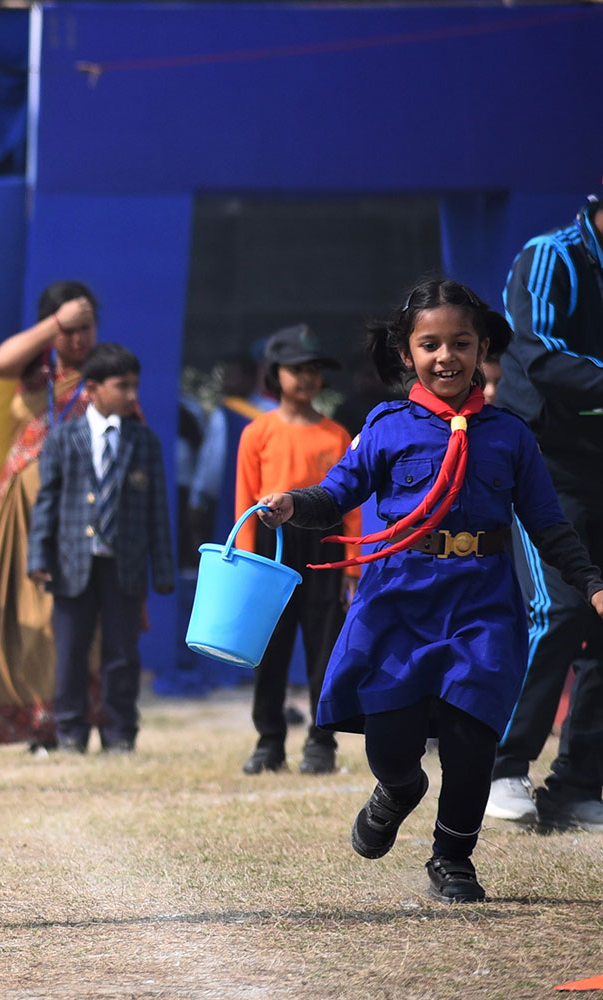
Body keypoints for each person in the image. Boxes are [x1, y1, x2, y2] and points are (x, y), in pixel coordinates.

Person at [256, 277, 603, 902]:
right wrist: (293, 504)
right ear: (406, 353)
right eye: (431, 345)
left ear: (482, 349)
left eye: (462, 343)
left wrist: (592, 583)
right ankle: (398, 790)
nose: (447, 357)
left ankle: (453, 857)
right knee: (393, 742)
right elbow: (337, 493)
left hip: (481, 605)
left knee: (472, 739)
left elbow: (549, 524)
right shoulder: (386, 426)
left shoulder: (511, 435)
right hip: (400, 599)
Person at [486, 196, 603, 832]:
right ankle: (500, 766)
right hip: (544, 465)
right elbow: (540, 355)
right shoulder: (549, 256)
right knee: (556, 611)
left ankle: (579, 783)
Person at [27, 342, 174, 754]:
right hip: (71, 562)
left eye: (135, 386)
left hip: (124, 563)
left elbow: (157, 509)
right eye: (122, 386)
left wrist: (162, 569)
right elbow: (47, 501)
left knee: (122, 653)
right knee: (71, 651)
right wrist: (39, 555)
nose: (132, 395)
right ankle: (70, 731)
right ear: (92, 388)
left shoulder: (144, 441)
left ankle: (120, 732)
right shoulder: (63, 438)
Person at [233, 325, 360, 776]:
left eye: (313, 369)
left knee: (325, 647)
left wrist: (351, 566)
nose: (306, 378)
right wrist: (244, 561)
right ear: (275, 374)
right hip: (271, 544)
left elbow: (350, 505)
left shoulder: (336, 435)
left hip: (324, 544)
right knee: (269, 646)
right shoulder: (257, 432)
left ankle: (321, 742)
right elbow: (245, 499)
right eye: (296, 369)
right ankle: (269, 742)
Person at [0, 281, 99, 747]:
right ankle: (25, 719)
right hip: (21, 516)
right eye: (70, 328)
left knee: (65, 619)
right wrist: (56, 323)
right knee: (16, 617)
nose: (79, 338)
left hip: (77, 518)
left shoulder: (105, 378)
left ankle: (65, 722)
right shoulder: (36, 373)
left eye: (86, 327)